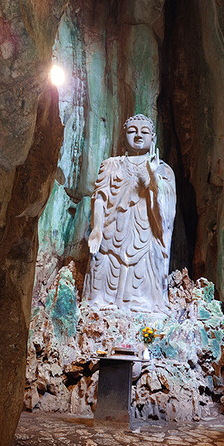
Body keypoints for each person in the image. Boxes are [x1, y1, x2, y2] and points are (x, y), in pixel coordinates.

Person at [83, 114, 176, 312]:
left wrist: (152, 177)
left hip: (146, 232)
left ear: (154, 138)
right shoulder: (111, 164)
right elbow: (100, 198)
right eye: (132, 131)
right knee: (101, 258)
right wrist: (97, 229)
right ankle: (101, 302)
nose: (138, 135)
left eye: (144, 132)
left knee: (148, 258)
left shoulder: (162, 168)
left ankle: (142, 303)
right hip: (112, 229)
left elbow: (167, 206)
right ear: (124, 135)